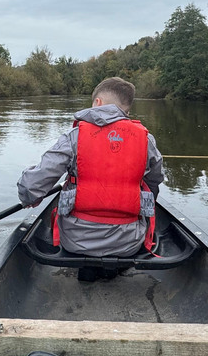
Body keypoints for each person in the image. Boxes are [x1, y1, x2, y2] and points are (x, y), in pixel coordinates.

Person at [17, 77, 164, 280]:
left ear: (98, 103)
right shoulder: (146, 140)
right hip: (129, 243)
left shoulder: (74, 136)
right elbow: (154, 185)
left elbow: (31, 186)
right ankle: (112, 267)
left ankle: (87, 268)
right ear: (127, 109)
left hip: (76, 241)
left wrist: (30, 198)